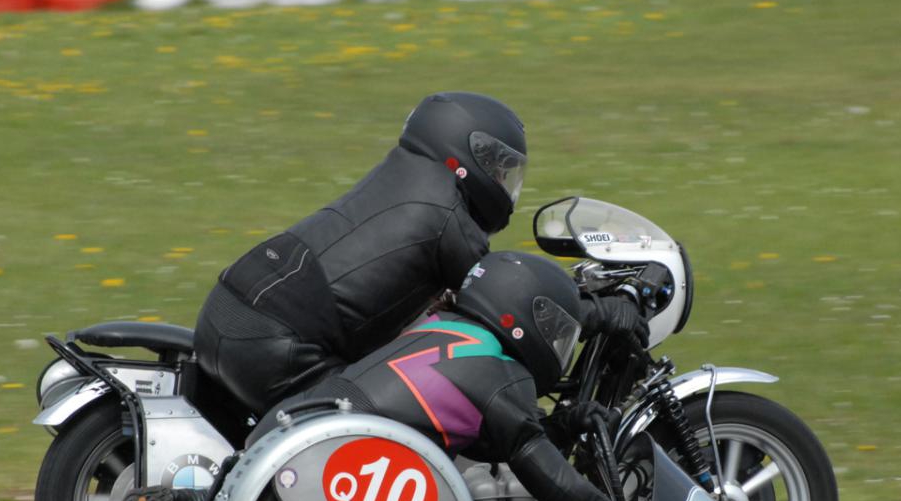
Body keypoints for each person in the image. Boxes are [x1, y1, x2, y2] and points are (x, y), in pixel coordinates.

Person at [124, 251, 674, 501]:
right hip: (335, 460)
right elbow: (555, 483)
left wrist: (560, 425)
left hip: (292, 422)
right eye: (555, 329)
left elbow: (486, 439)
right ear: (524, 318)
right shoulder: (500, 375)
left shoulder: (438, 330)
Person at [192, 91, 646, 420]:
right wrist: (598, 312)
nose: (503, 184)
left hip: (226, 313)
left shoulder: (400, 179)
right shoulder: (449, 219)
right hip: (278, 349)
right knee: (403, 425)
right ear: (471, 154)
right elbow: (513, 305)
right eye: (500, 169)